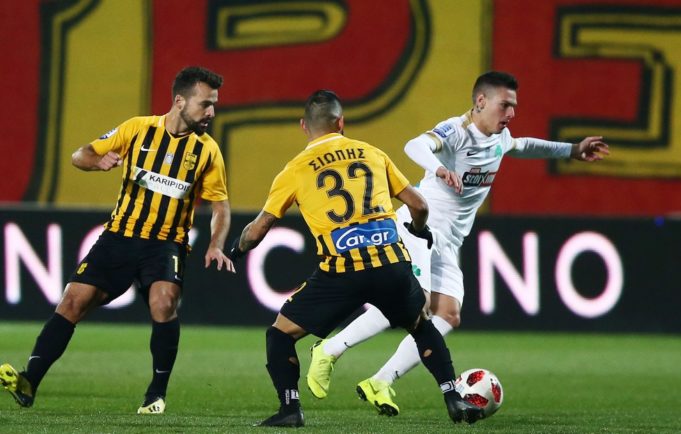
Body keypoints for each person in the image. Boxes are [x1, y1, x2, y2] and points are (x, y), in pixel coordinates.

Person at [306, 71, 610, 415]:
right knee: (413, 303)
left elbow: (523, 145)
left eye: (514, 106)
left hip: (448, 242)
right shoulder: (456, 131)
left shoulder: (500, 137)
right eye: (505, 105)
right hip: (418, 227)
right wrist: (438, 169)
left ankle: (380, 380)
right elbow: (414, 145)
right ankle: (329, 350)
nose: (511, 113)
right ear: (481, 101)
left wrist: (572, 150)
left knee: (448, 315)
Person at [228, 89, 484, 427]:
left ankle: (290, 409)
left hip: (342, 272)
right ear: (341, 123)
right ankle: (453, 397)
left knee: (280, 334)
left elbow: (259, 230)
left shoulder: (295, 169)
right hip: (390, 263)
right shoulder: (372, 153)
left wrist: (237, 248)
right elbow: (419, 205)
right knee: (422, 326)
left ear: (304, 126)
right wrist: (419, 230)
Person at [0, 66, 235, 414]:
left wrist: (215, 243)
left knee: (164, 303)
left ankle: (156, 394)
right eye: (205, 104)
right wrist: (98, 162)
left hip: (164, 244)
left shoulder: (208, 151)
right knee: (72, 301)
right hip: (118, 238)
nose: (211, 112)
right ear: (179, 101)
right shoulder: (137, 128)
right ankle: (29, 380)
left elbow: (220, 207)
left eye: (214, 104)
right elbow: (80, 155)